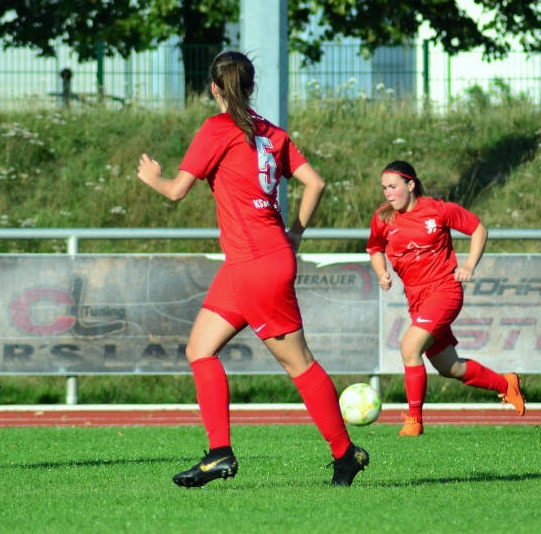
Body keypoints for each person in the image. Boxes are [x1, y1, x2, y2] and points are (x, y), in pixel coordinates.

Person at [137, 51, 368, 487]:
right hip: (253, 260)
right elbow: (315, 182)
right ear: (251, 87)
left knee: (299, 364)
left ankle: (345, 454)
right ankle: (219, 454)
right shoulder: (272, 133)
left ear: (214, 89)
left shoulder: (217, 128)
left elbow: (176, 192)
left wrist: (153, 178)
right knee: (200, 349)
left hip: (254, 264)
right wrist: (295, 233)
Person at [366, 160, 525, 436]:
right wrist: (381, 273)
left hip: (444, 291)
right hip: (417, 300)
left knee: (409, 347)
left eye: (393, 187)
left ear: (411, 185)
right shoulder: (384, 217)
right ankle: (506, 384)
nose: (388, 193)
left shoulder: (438, 210)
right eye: (384, 188)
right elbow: (374, 248)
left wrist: (468, 266)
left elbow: (478, 229)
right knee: (450, 367)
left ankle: (414, 420)